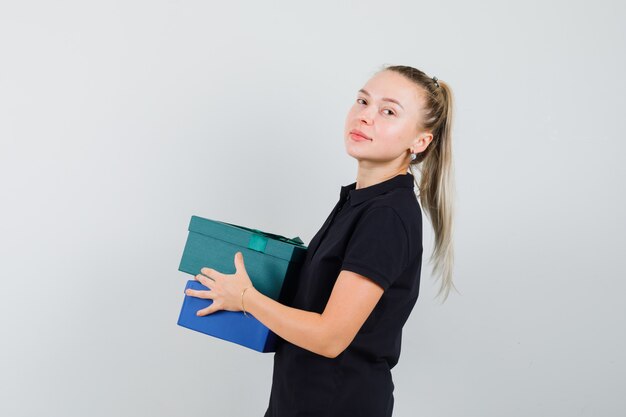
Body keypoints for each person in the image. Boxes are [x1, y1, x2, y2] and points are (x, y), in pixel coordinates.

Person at [185, 64, 457, 416]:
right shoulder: (359, 201)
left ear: (420, 141)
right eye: (362, 101)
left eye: (388, 111)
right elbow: (315, 306)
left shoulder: (386, 216)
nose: (365, 116)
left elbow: (330, 337)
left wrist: (246, 298)